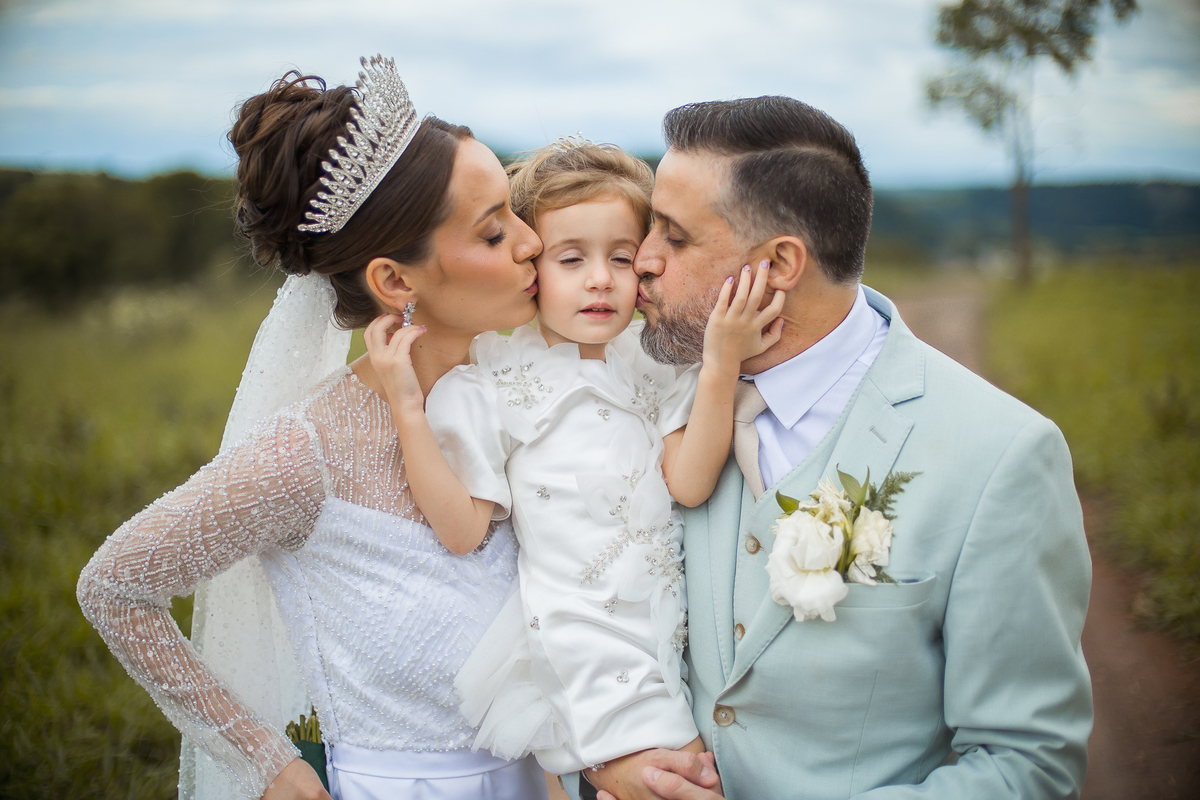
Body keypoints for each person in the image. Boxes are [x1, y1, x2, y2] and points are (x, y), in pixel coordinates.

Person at [77, 56, 554, 800]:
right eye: (495, 233)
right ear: (395, 281)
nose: (532, 243)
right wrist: (268, 763)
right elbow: (115, 587)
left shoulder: (531, 390)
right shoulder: (309, 452)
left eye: (516, 214)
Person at [591, 97, 1093, 799]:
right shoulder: (638, 396)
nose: (641, 260)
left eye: (673, 237)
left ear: (779, 264)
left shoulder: (1002, 457)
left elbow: (1029, 764)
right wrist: (609, 766)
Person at [363, 139, 781, 796]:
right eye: (571, 259)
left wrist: (720, 363)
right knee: (674, 774)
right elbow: (462, 530)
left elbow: (690, 481)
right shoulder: (494, 383)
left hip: (668, 632)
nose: (600, 279)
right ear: (533, 269)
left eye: (621, 257)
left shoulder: (659, 367)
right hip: (579, 640)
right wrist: (408, 409)